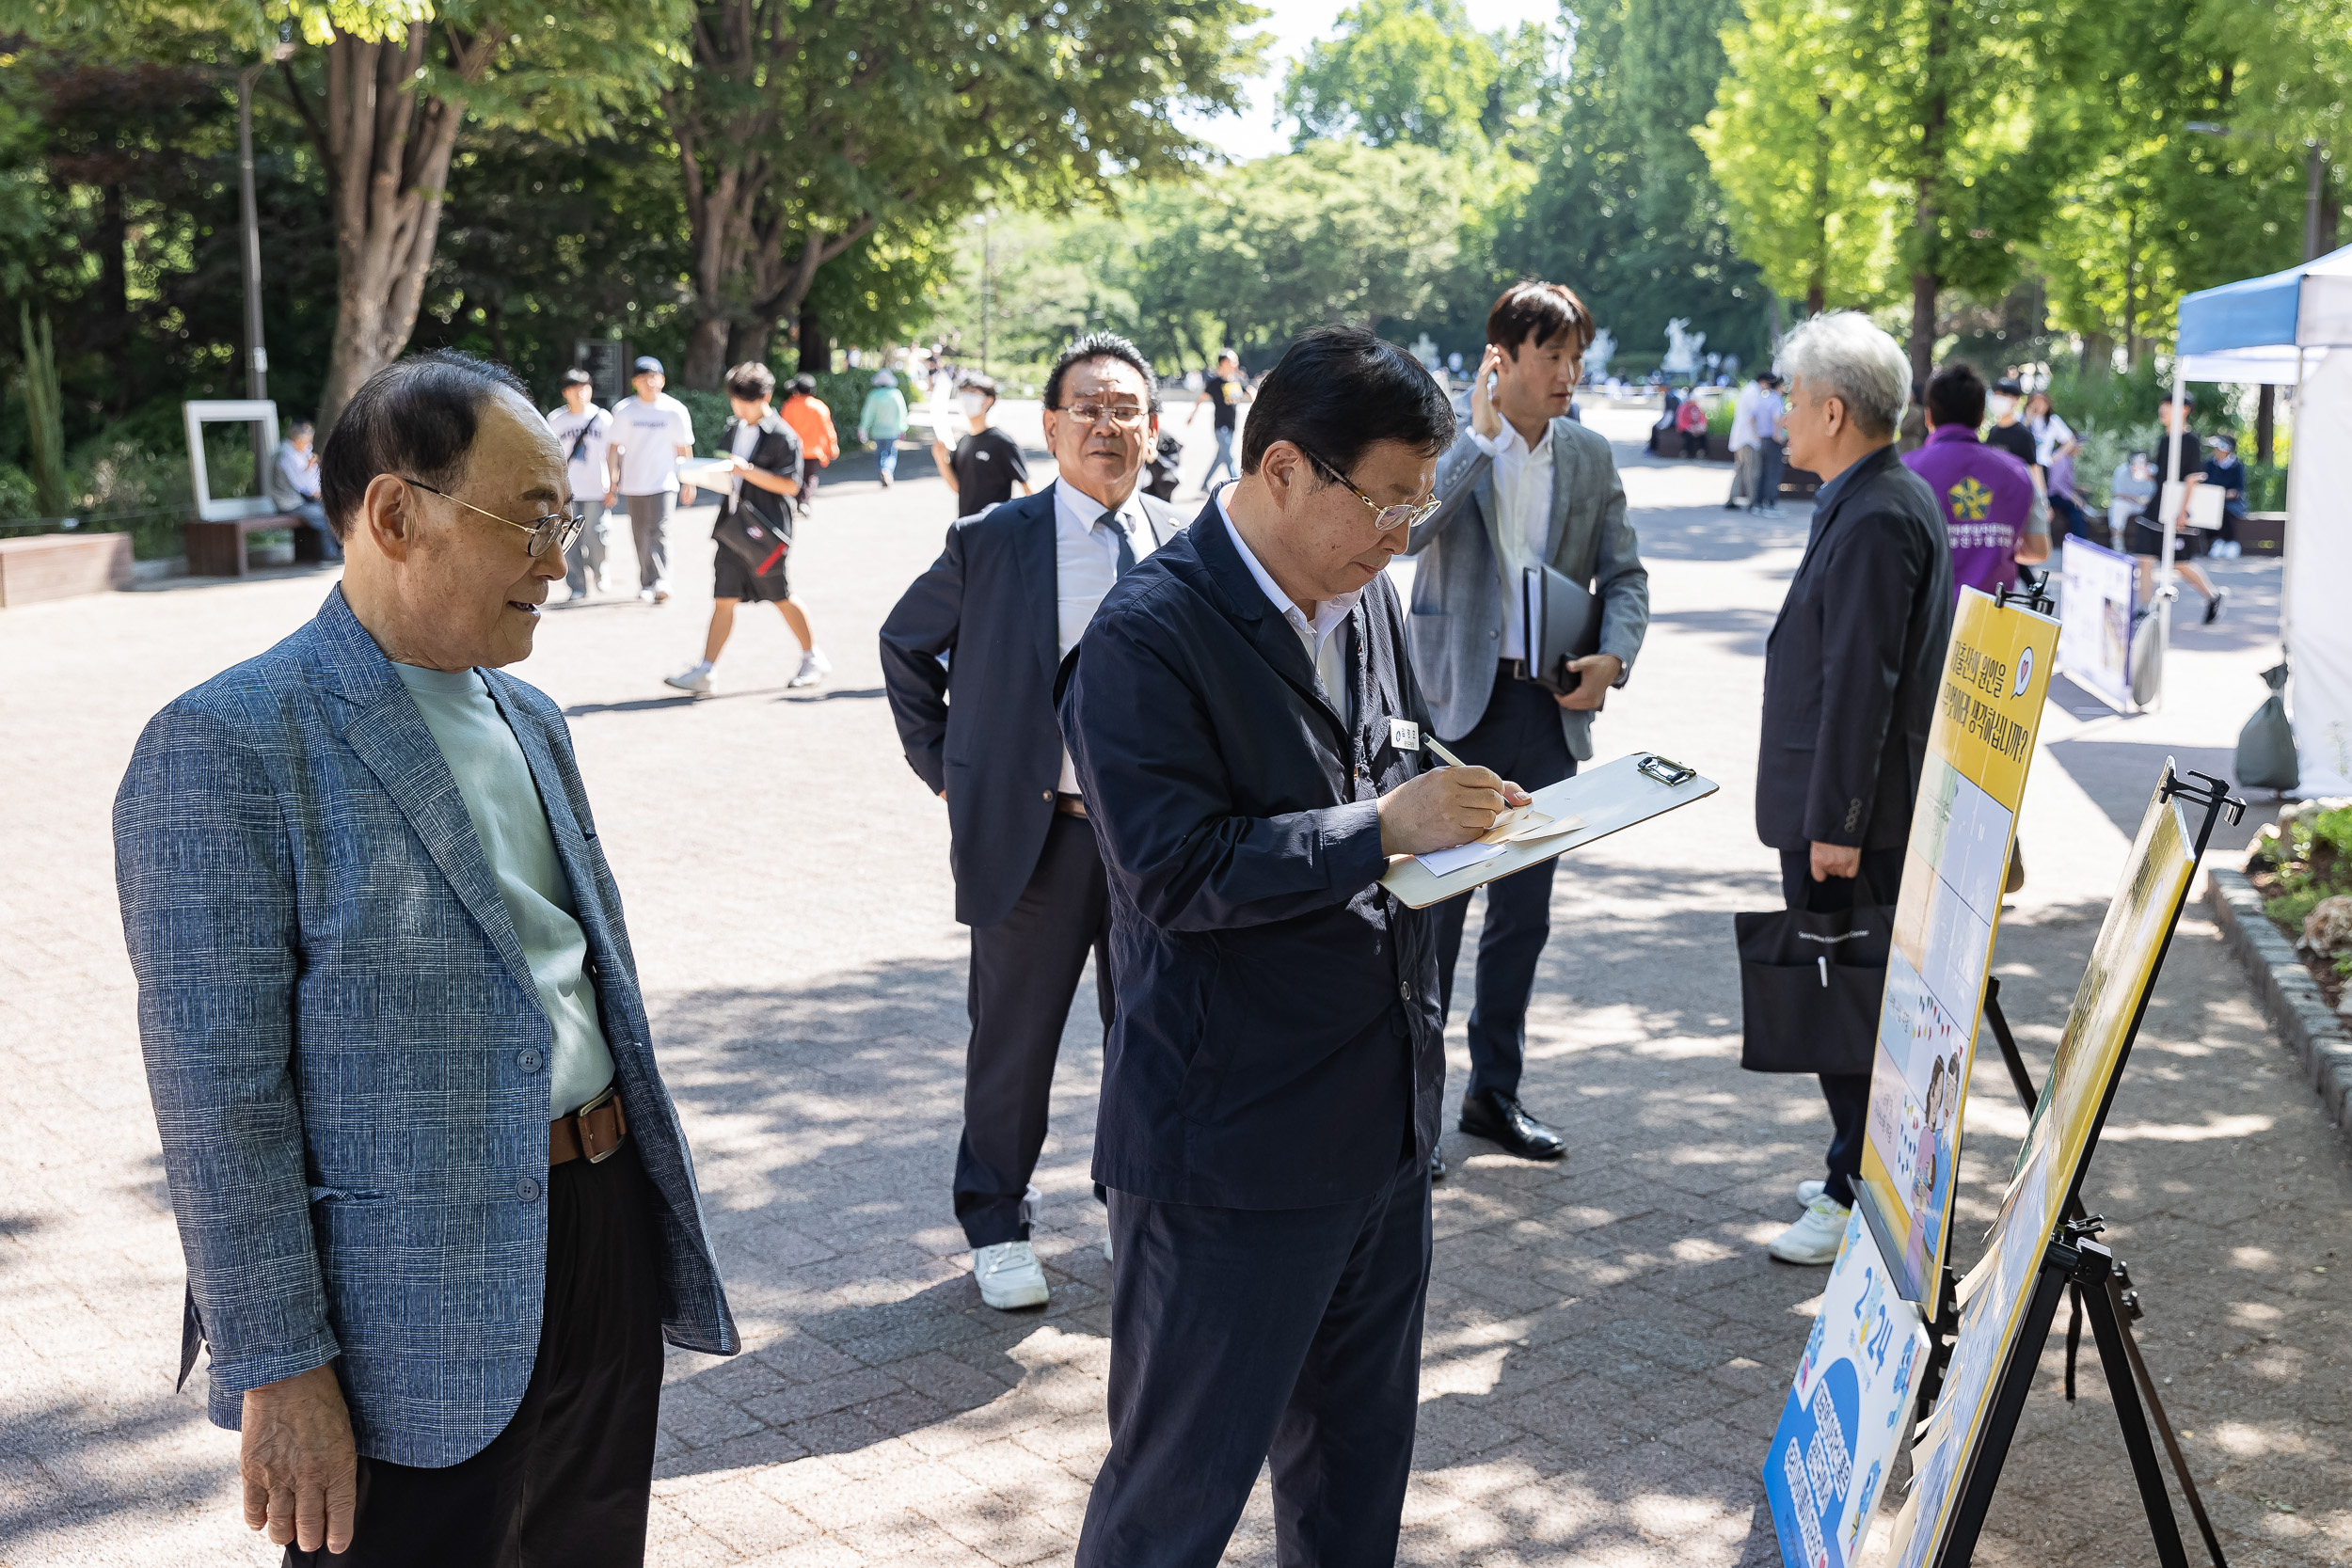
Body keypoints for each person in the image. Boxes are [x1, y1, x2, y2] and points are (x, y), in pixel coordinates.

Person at [114, 350, 738, 1565]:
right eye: (532, 520)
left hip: (598, 1232)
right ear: (396, 514)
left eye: (570, 518)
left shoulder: (531, 714)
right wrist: (279, 1363)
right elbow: (218, 1100)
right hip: (404, 1305)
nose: (558, 560)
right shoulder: (227, 743)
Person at [1060, 325, 1526, 1566]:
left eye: (1412, 515)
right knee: (1173, 1499)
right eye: (1382, 505)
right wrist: (1382, 829)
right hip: (1231, 1157)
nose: (1395, 540)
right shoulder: (1149, 634)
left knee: (1353, 1483)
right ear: (1281, 469)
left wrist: (1460, 808)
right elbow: (1177, 868)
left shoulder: (1362, 602)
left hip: (1378, 1129)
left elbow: (1391, 765)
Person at [880, 332, 1181, 1311]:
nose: (1108, 424)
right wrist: (947, 771)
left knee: (1152, 1030)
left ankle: (1135, 1200)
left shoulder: (1184, 539)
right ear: (1050, 425)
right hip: (1035, 836)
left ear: (1152, 424)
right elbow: (905, 647)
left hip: (1154, 845)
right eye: (1087, 407)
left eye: (1126, 407)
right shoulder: (995, 539)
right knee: (1013, 1040)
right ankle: (995, 1218)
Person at [1402, 279, 1649, 1174]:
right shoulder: (1447, 445)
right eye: (1553, 355)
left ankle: (1492, 1093)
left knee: (1524, 915)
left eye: (1577, 355)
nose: (1570, 374)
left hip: (1548, 709)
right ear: (1501, 359)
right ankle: (1414, 1111)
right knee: (1438, 919)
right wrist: (1472, 444)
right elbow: (1405, 536)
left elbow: (1626, 575)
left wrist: (1612, 660)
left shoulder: (1588, 456)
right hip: (1457, 710)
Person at [1753, 311, 1952, 1266]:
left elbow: (1860, 679)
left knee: (1844, 1007)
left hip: (1851, 822)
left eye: (1791, 399)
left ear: (1832, 410)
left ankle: (1854, 1188)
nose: (1780, 415)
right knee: (1844, 999)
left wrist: (1835, 822)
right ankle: (1849, 1161)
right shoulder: (1872, 495)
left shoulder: (1877, 512)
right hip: (1853, 812)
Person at [664, 362, 828, 695]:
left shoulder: (783, 435)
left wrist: (748, 471)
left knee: (781, 595)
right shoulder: (733, 428)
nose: (739, 407)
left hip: (767, 530)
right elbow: (729, 472)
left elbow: (789, 485)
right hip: (732, 526)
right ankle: (706, 670)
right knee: (723, 597)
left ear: (765, 397)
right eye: (735, 400)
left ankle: (813, 657)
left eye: (746, 401)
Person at [1902, 361, 2048, 601]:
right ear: (1981, 417)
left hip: (1924, 624)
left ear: (1928, 417)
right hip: (1988, 627)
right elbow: (2038, 550)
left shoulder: (1905, 472)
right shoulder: (2018, 473)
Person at [2127, 388, 2225, 623]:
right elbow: (2163, 476)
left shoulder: (2190, 441)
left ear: (2184, 410)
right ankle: (2145, 609)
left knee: (2180, 563)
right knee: (2145, 557)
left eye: (2169, 405)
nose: (2163, 409)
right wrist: (2146, 474)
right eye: (2164, 405)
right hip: (2156, 508)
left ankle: (2213, 595)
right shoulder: (2164, 440)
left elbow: (2192, 478)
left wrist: (2182, 511)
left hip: (2177, 510)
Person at [608, 355, 697, 604]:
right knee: (640, 534)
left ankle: (661, 580)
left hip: (664, 481)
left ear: (662, 380)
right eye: (644, 378)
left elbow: (684, 448)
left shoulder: (675, 410)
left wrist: (689, 481)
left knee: (660, 529)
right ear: (635, 381)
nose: (650, 383)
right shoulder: (624, 410)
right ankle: (646, 582)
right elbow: (614, 447)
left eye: (654, 378)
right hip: (634, 483)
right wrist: (613, 478)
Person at [546, 369, 615, 599]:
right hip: (568, 492)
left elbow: (614, 453)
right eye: (575, 389)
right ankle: (576, 586)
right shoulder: (556, 420)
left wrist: (613, 484)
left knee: (596, 535)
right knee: (568, 540)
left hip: (598, 488)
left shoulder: (603, 418)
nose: (581, 393)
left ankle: (599, 570)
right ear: (566, 392)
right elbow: (549, 456)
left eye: (585, 388)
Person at [933, 374, 1032, 517]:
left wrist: (1030, 525)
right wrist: (941, 459)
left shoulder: (1001, 442)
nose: (966, 398)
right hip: (966, 526)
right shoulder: (964, 441)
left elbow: (1028, 486)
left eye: (973, 393)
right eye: (963, 393)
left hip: (995, 528)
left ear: (988, 401)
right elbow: (958, 487)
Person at [265, 418, 342, 562]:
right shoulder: (285, 455)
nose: (309, 445)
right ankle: (328, 554)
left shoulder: (298, 452)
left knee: (332, 508)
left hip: (300, 499)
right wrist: (309, 469)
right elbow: (299, 484)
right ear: (298, 440)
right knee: (323, 515)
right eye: (307, 441)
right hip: (289, 502)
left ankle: (334, 551)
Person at [1188, 348, 1249, 493]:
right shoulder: (1215, 383)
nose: (1236, 363)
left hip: (1232, 425)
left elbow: (1251, 392)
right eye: (1233, 360)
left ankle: (1204, 484)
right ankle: (1237, 486)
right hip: (1220, 427)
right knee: (1228, 457)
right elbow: (1201, 399)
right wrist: (1192, 415)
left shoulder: (1237, 380)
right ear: (1223, 363)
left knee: (1221, 456)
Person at [780, 372, 839, 515]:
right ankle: (804, 502)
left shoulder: (789, 406)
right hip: (814, 450)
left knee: (795, 476)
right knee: (810, 477)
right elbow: (828, 429)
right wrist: (833, 447)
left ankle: (796, 500)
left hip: (794, 450)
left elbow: (783, 428)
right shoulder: (820, 407)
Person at [858, 369, 910, 487]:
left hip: (877, 431)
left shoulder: (873, 395)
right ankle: (887, 469)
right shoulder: (896, 394)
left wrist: (863, 428)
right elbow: (902, 413)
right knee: (891, 453)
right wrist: (902, 428)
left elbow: (867, 414)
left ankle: (882, 469)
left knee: (879, 453)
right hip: (893, 430)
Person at [1752, 371, 1789, 515]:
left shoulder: (1763, 399)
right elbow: (1776, 419)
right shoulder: (1777, 400)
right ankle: (1770, 504)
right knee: (1774, 472)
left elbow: (1753, 418)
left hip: (1762, 439)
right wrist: (1778, 436)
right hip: (1773, 440)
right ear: (1779, 386)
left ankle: (1759, 503)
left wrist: (1757, 435)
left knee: (1763, 472)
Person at [2204, 434, 2248, 559]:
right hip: (2210, 501)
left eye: (2218, 448)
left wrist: (2221, 496)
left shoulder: (2237, 466)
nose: (2215, 451)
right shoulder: (2209, 464)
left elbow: (2237, 490)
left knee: (2224, 509)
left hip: (2231, 504)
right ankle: (2215, 542)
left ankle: (2230, 543)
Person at [1982, 376, 2037, 468]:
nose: (1999, 399)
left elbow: (2034, 469)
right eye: (1997, 395)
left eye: (2004, 396)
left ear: (2016, 400)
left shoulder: (2024, 435)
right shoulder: (1993, 431)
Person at [1725, 374, 1761, 510]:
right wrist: (1756, 436)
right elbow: (1752, 417)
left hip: (1739, 437)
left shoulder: (1747, 389)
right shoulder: (1754, 392)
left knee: (1739, 469)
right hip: (1748, 439)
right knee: (1751, 471)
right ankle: (1752, 501)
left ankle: (1732, 498)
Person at [1676, 391, 1708, 457]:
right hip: (1685, 429)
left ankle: (1701, 452)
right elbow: (1681, 422)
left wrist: (1700, 427)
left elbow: (1702, 419)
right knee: (1689, 437)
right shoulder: (1683, 408)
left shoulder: (1697, 408)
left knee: (1703, 437)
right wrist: (1691, 429)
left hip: (1696, 429)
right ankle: (1686, 453)